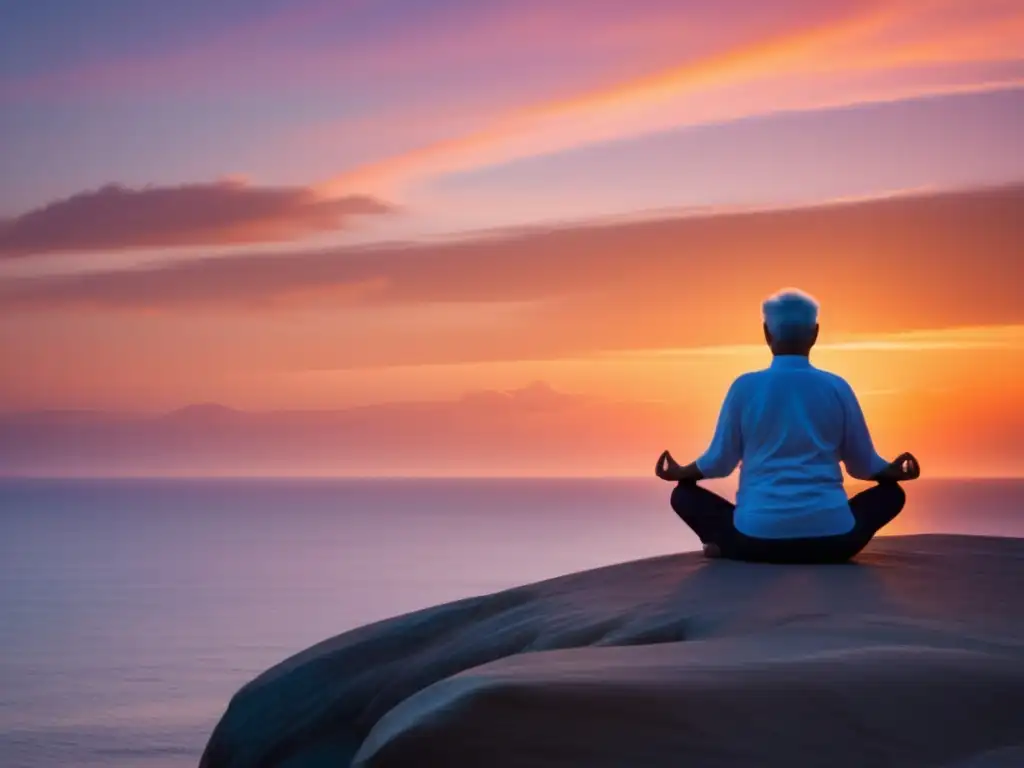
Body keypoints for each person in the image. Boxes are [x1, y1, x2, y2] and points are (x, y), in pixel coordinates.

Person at [655, 288, 920, 564]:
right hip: (833, 544)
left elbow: (720, 462)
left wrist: (681, 471)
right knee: (891, 494)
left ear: (767, 334)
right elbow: (862, 465)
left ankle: (726, 546)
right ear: (815, 334)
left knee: (683, 495)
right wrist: (891, 472)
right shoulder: (836, 387)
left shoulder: (745, 387)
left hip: (756, 542)